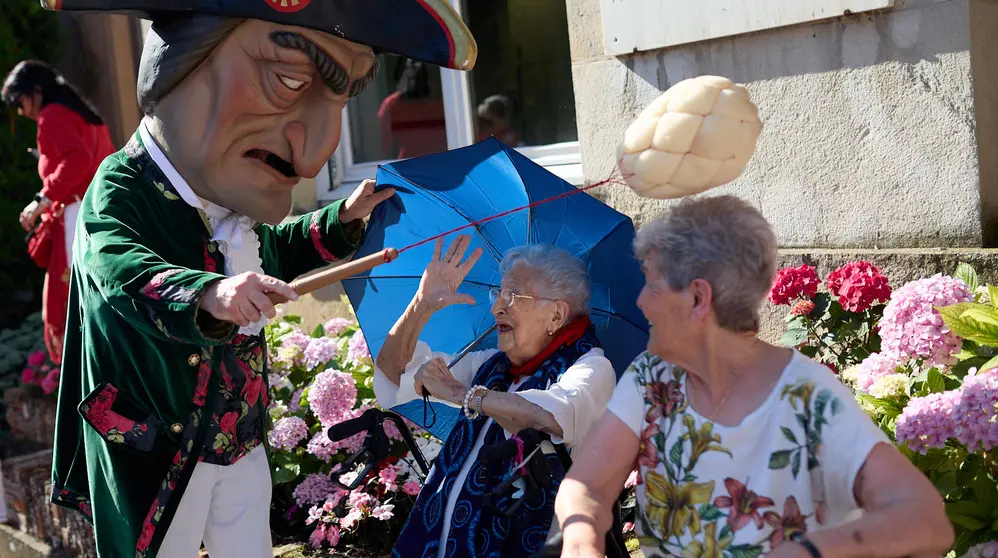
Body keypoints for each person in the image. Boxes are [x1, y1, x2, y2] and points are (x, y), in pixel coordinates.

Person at [41, 1, 478, 556]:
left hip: (238, 433)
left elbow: (265, 252)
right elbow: (118, 267)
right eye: (290, 80)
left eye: (343, 100)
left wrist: (337, 220)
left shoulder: (224, 194)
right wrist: (208, 292)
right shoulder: (122, 187)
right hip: (158, 441)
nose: (317, 154)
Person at [554, 196, 954, 558]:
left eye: (653, 286)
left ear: (698, 298)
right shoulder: (652, 382)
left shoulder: (805, 395)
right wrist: (580, 538)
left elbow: (924, 519)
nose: (641, 301)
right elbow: (586, 484)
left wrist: (810, 551)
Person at [374, 235, 617, 557]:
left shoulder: (592, 367)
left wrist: (461, 393)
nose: (496, 307)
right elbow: (394, 378)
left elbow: (549, 415)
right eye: (497, 293)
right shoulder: (490, 365)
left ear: (556, 316)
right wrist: (422, 305)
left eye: (512, 295)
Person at [2, 60, 115, 364]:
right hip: (100, 209)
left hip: (75, 215)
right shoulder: (81, 112)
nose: (21, 111)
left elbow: (75, 160)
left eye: (19, 101)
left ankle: (82, 379)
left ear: (36, 91)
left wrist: (41, 199)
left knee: (67, 304)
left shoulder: (51, 115)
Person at [377, 58, 447, 159]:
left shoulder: (440, 106)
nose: (413, 78)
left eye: (418, 73)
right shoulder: (391, 105)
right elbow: (383, 148)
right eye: (409, 71)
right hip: (407, 166)